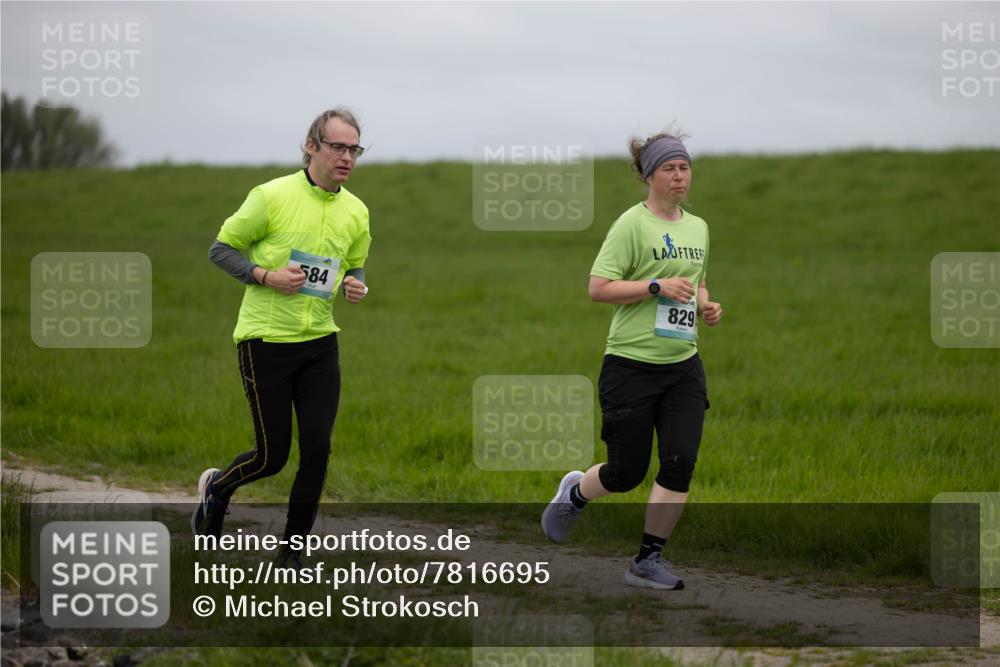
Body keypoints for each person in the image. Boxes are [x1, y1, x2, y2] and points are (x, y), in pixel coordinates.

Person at [192, 108, 372, 569]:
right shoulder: (270, 196)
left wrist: (355, 284)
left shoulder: (356, 211)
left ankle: (291, 555)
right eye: (338, 147)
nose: (347, 157)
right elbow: (220, 249)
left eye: (354, 149)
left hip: (320, 346)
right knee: (271, 457)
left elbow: (354, 264)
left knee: (317, 450)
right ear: (311, 146)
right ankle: (217, 488)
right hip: (265, 342)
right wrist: (265, 276)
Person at [541, 132, 722, 590]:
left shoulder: (698, 227)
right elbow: (598, 288)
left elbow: (697, 282)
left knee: (679, 463)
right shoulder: (631, 225)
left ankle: (647, 559)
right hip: (630, 365)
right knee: (626, 473)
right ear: (648, 175)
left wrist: (706, 304)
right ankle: (576, 494)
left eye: (684, 167)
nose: (679, 176)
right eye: (669, 169)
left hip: (683, 365)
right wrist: (655, 286)